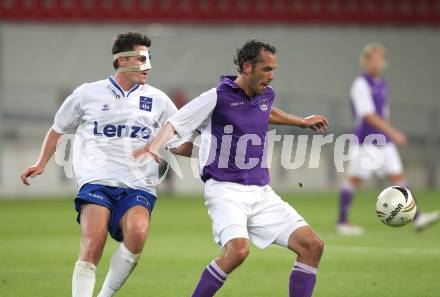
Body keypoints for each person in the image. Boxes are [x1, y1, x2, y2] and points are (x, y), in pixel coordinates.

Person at [134, 40, 329, 297]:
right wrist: (154, 146)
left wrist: (302, 122)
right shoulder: (216, 97)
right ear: (247, 67)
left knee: (312, 246)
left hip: (261, 192)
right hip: (225, 190)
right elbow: (174, 123)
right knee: (237, 251)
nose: (272, 76)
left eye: (274, 70)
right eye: (267, 69)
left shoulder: (264, 95)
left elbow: (267, 111)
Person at [20, 32, 191, 297]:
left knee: (137, 235)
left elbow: (176, 141)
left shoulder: (159, 100)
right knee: (93, 243)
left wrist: (208, 153)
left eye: (149, 58)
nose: (148, 65)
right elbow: (57, 129)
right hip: (97, 179)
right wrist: (41, 162)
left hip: (138, 184)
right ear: (122, 60)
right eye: (141, 58)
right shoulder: (87, 94)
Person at [336, 43, 440, 235]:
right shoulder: (361, 84)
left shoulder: (381, 83)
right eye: (372, 58)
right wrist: (393, 132)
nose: (376, 62)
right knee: (354, 180)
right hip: (366, 141)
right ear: (365, 61)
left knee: (398, 177)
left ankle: (417, 217)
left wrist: (389, 134)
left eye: (379, 59)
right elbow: (368, 115)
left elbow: (383, 114)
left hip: (384, 141)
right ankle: (342, 222)